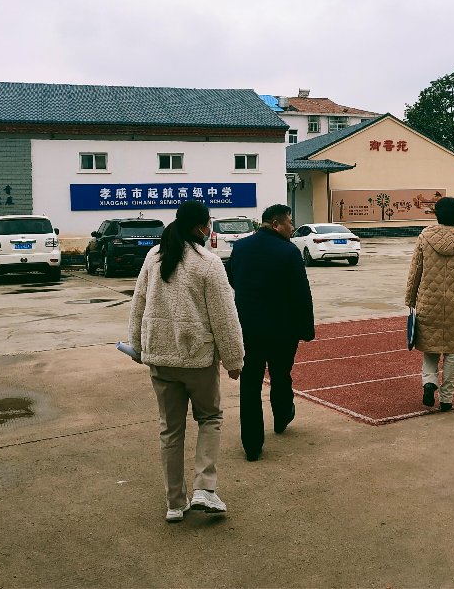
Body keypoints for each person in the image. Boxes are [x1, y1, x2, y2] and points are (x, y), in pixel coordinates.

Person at [128, 200, 245, 523]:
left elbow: (138, 303)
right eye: (208, 223)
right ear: (200, 227)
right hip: (197, 359)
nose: (209, 229)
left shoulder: (154, 256)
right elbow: (224, 317)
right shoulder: (208, 263)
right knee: (210, 418)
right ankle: (204, 489)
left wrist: (137, 345)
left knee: (170, 430)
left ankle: (175, 502)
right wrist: (234, 359)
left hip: (160, 358)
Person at [228, 203, 314, 462]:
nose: (292, 227)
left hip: (248, 329)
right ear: (276, 224)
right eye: (289, 222)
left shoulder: (241, 247)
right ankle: (282, 415)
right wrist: (306, 329)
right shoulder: (289, 251)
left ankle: (252, 445)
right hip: (282, 330)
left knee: (250, 384)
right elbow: (301, 294)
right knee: (280, 375)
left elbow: (231, 278)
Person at [404, 195, 454, 411]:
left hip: (428, 303)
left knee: (430, 349)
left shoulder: (425, 237)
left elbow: (415, 271)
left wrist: (410, 298)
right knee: (452, 353)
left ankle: (429, 383)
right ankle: (447, 399)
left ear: (437, 215)